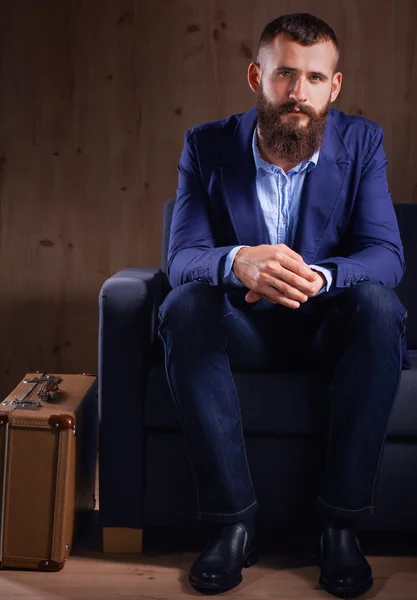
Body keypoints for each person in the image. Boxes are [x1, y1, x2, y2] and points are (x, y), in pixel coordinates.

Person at [157, 12, 409, 599]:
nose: (299, 94)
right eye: (285, 76)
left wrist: (319, 277)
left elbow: (386, 255)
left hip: (328, 325)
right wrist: (238, 259)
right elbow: (183, 256)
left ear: (335, 86)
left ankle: (339, 526)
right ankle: (233, 525)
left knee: (380, 307)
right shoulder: (206, 143)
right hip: (241, 323)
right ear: (256, 75)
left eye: (315, 79)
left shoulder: (362, 142)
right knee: (183, 306)